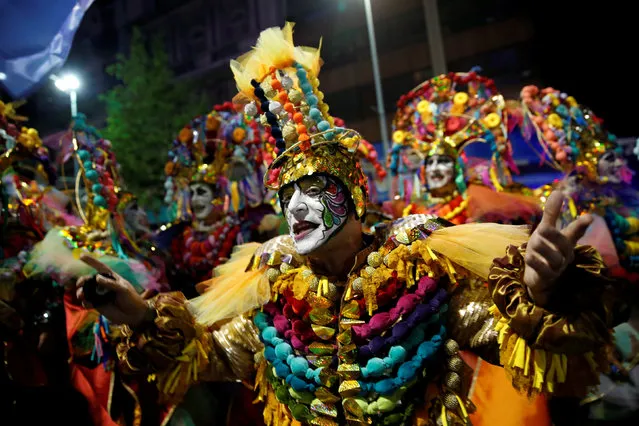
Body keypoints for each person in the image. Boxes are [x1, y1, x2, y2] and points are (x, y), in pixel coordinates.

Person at [76, 23, 621, 426]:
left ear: (354, 196)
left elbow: (503, 335)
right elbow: (214, 356)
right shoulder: (275, 283)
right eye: (288, 197)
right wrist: (143, 318)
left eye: (313, 192)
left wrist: (545, 295)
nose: (297, 210)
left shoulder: (417, 267)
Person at [386, 70, 541, 226]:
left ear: (456, 168)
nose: (434, 169)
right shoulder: (411, 209)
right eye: (430, 163)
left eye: (442, 162)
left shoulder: (474, 202)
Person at [521, 85, 638, 279]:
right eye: (609, 158)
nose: (619, 162)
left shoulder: (620, 196)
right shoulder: (567, 204)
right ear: (584, 163)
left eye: (617, 156)